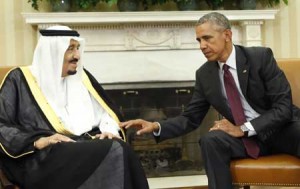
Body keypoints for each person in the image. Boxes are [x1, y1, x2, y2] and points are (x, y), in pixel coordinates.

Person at [120, 12, 300, 189]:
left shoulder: (260, 58)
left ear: (227, 35)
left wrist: (243, 129)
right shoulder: (205, 74)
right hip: (249, 141)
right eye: (199, 40)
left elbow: (283, 109)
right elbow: (190, 118)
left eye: (207, 38)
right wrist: (157, 126)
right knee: (211, 140)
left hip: (281, 129)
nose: (202, 46)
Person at [0, 26, 149, 189]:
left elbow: (105, 113)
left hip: (81, 145)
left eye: (77, 48)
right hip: (43, 157)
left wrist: (109, 130)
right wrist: (38, 141)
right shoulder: (19, 78)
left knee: (118, 147)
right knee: (115, 149)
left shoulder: (81, 77)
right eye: (70, 49)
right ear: (53, 52)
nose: (77, 55)